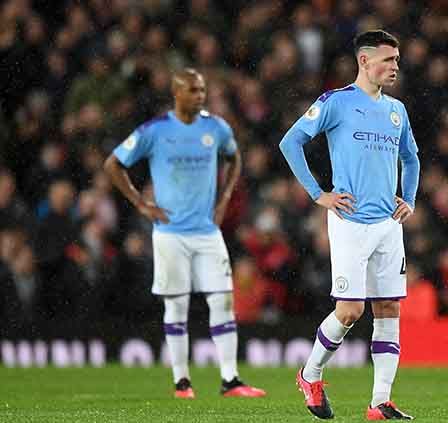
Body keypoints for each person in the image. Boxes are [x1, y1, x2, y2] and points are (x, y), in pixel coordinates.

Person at [279, 30, 419, 420]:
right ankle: (310, 373)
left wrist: (409, 198)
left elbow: (412, 158)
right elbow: (290, 143)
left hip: (389, 225)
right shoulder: (336, 103)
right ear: (364, 61)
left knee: (389, 307)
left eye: (396, 60)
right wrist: (317, 194)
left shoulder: (397, 110)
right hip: (350, 221)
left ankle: (380, 402)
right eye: (387, 60)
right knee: (351, 311)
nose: (394, 67)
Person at [103, 68, 266, 399]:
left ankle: (230, 380)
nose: (200, 95)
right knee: (176, 306)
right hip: (170, 233)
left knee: (222, 299)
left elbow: (235, 159)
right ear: (176, 93)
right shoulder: (155, 130)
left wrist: (224, 200)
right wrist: (140, 203)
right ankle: (182, 382)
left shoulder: (216, 128)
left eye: (202, 89)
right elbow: (113, 164)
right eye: (193, 90)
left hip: (207, 232)